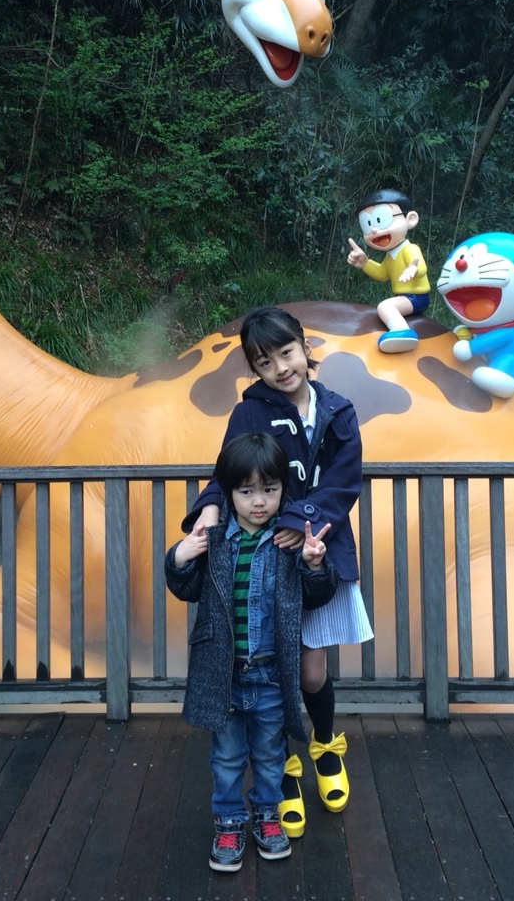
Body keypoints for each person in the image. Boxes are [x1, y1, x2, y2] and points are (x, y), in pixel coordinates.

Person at [184, 305, 371, 837]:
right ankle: (283, 769)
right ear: (255, 368)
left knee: (309, 673)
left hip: (315, 551)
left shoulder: (338, 411)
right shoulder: (250, 412)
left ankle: (324, 746)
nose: (280, 369)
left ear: (304, 347)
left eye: (286, 353)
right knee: (274, 671)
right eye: (264, 362)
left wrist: (299, 519)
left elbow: (343, 483)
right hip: (265, 558)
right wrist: (209, 510)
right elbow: (226, 472)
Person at [165, 431, 338, 873]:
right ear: (228, 492)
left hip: (271, 673)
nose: (259, 502)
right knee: (225, 756)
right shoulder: (216, 538)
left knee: (269, 753)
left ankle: (267, 815)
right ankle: (228, 821)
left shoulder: (288, 539)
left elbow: (317, 594)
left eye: (269, 490)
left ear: (283, 489)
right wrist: (181, 555)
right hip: (224, 673)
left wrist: (316, 564)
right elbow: (185, 587)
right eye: (246, 492)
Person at [346, 188, 430, 352]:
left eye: (381, 219)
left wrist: (413, 268)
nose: (374, 230)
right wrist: (365, 263)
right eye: (367, 224)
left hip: (417, 297)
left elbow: (420, 265)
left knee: (385, 307)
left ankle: (402, 331)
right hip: (405, 297)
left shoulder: (409, 249)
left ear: (410, 219)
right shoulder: (390, 255)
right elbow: (382, 274)